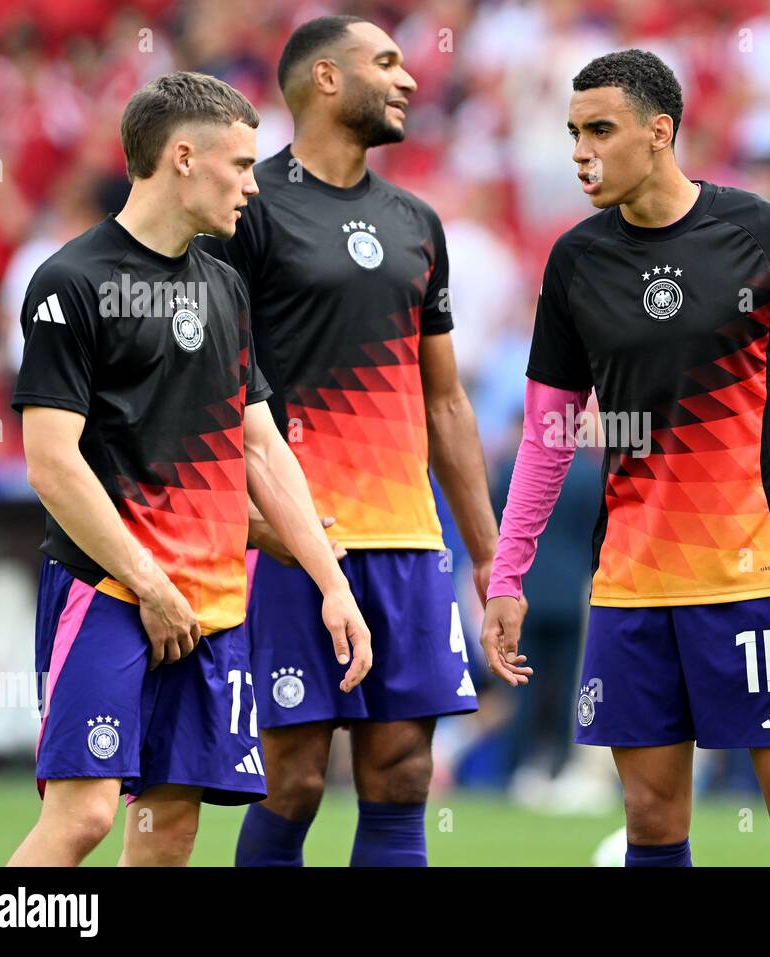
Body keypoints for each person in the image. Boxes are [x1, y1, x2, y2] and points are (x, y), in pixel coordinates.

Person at [480, 50, 770, 867]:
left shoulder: (763, 235)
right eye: (573, 132)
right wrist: (507, 574)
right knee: (651, 820)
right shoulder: (575, 261)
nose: (580, 151)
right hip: (630, 587)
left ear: (660, 132)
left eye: (600, 131)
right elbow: (549, 432)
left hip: (757, 580)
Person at [7, 71, 371, 867]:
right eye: (240, 166)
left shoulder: (225, 287)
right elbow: (51, 464)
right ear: (182, 157)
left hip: (212, 600)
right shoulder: (73, 282)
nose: (253, 184)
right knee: (84, 816)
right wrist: (149, 583)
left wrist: (330, 581)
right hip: (107, 589)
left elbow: (263, 446)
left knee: (168, 829)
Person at [203, 16, 497, 868]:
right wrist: (245, 520)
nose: (409, 80)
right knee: (291, 778)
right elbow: (214, 388)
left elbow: (444, 403)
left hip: (407, 539)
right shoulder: (247, 209)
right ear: (326, 79)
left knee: (403, 773)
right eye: (388, 63)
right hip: (295, 541)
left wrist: (488, 553)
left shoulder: (417, 221)